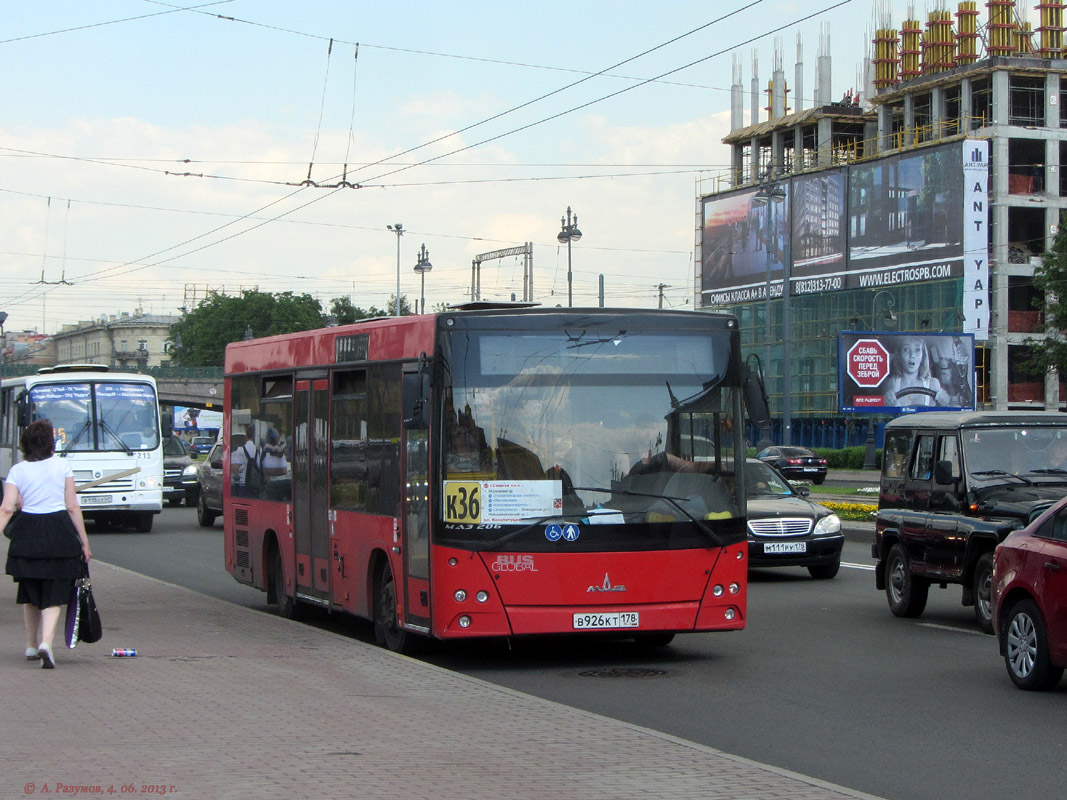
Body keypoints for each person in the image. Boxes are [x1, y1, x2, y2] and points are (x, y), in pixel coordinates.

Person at [2, 419, 92, 669]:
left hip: (27, 534)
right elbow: (72, 506)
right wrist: (84, 541)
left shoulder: (18, 470)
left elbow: (7, 508)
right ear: (51, 442)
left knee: (30, 593)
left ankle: (31, 645)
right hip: (59, 532)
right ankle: (46, 643)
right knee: (53, 594)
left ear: (25, 444)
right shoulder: (62, 465)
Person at [881, 335, 950, 407]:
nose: (912, 355)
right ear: (899, 355)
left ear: (922, 356)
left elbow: (944, 411)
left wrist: (944, 402)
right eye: (906, 349)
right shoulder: (892, 383)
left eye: (917, 350)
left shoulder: (933, 384)